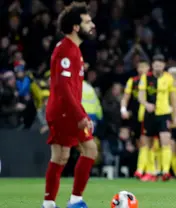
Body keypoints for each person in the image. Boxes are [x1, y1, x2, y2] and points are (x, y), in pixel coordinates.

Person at [43, 2, 97, 208]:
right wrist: (79, 116)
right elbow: (63, 87)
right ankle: (75, 201)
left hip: (64, 111)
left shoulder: (72, 49)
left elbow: (71, 90)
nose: (92, 25)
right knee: (89, 150)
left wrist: (82, 113)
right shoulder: (67, 50)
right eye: (87, 21)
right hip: (64, 113)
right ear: (76, 27)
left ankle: (49, 204)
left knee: (61, 156)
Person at [137, 54, 176, 181]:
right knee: (147, 143)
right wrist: (146, 104)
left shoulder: (168, 78)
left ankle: (165, 171)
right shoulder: (145, 78)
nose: (158, 66)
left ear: (164, 66)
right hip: (149, 115)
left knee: (166, 141)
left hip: (164, 114)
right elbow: (141, 96)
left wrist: (174, 116)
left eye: (160, 64)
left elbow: (173, 98)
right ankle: (151, 172)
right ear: (152, 65)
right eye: (156, 64)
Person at [120, 60, 150, 179]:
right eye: (139, 67)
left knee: (147, 142)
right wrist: (123, 110)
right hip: (135, 116)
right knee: (138, 143)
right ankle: (142, 169)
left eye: (144, 67)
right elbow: (125, 97)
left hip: (149, 116)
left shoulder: (152, 81)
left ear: (149, 68)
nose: (141, 69)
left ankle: (144, 170)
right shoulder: (132, 81)